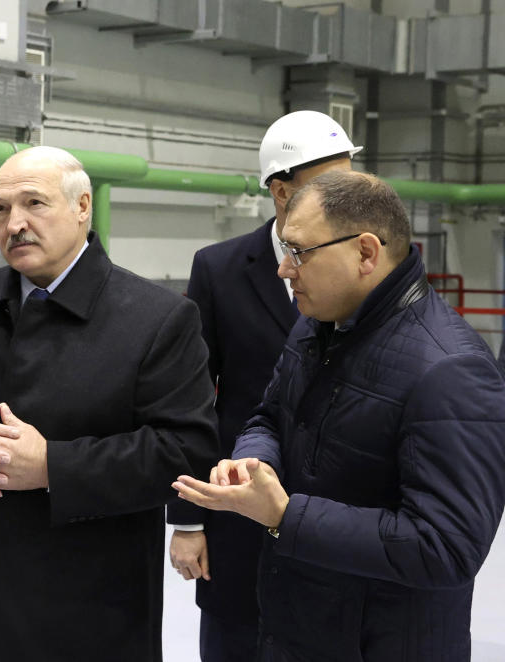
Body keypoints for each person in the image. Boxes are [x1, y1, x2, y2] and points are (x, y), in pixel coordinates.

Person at [173, 171, 505, 661]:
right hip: (297, 624)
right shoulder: (315, 327)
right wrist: (254, 462)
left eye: (301, 252)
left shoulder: (450, 369)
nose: (285, 270)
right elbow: (268, 415)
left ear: (366, 253)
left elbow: (446, 547)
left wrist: (286, 515)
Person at [0, 145, 219, 662]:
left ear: (82, 208)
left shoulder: (157, 319)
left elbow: (187, 451)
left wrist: (53, 466)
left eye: (35, 203)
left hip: (91, 604)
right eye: (2, 209)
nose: (15, 224)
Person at [166, 110, 359, 661]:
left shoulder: (366, 265)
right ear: (281, 191)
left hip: (338, 517)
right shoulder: (221, 270)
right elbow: (192, 398)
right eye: (331, 186)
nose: (348, 198)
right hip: (241, 514)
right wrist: (186, 519)